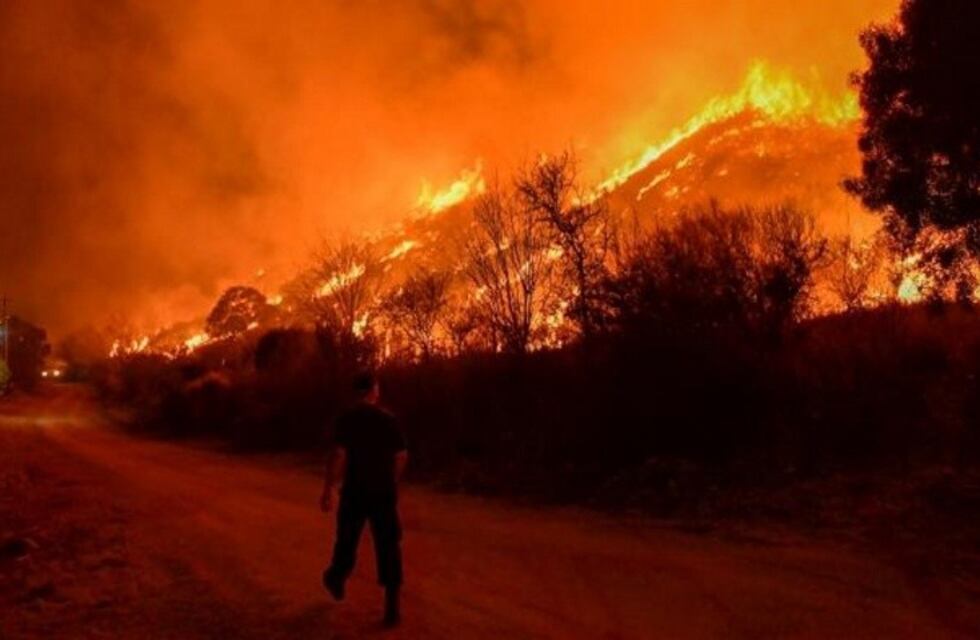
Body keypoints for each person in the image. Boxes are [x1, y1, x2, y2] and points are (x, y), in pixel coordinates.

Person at [321, 371, 408, 628]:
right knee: (389, 546)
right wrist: (391, 481)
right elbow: (402, 456)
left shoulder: (346, 420)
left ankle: (336, 577)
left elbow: (338, 455)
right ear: (373, 391)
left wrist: (328, 489)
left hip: (355, 491)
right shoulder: (388, 419)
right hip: (382, 492)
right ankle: (392, 608)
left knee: (347, 538)